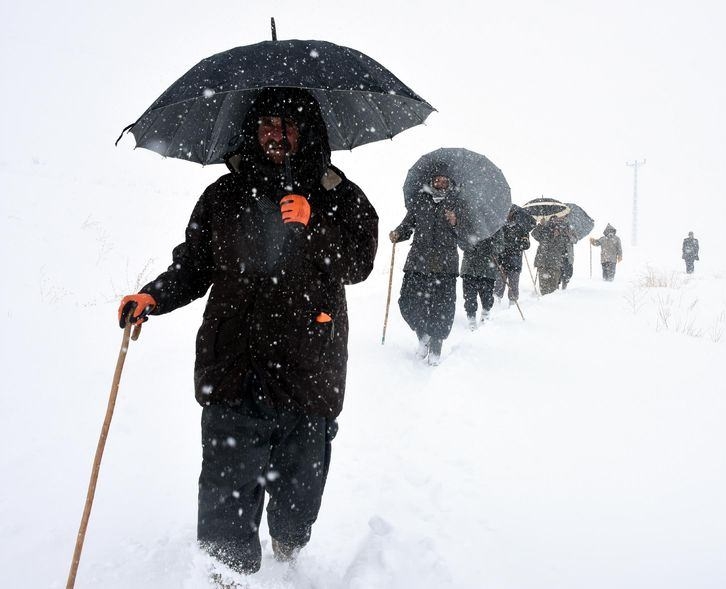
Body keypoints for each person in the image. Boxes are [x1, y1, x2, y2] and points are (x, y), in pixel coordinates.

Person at [117, 88, 379, 576]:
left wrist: (314, 219)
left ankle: (288, 542)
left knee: (300, 489)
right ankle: (227, 574)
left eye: (287, 127)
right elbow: (194, 265)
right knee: (226, 487)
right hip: (234, 361)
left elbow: (360, 262)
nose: (275, 137)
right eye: (265, 127)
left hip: (308, 367)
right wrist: (153, 296)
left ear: (308, 132)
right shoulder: (223, 195)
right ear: (251, 133)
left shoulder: (337, 192)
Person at [389, 172, 459, 366]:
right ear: (431, 181)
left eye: (445, 180)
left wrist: (456, 221)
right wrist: (398, 233)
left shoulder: (458, 203)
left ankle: (436, 345)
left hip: (446, 265)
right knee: (408, 302)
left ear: (450, 183)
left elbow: (469, 234)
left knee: (442, 308)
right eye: (437, 179)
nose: (441, 183)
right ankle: (424, 335)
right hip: (418, 263)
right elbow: (407, 225)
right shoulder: (420, 201)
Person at [461, 229, 505, 330]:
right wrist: (472, 244)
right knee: (469, 297)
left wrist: (490, 246)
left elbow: (500, 246)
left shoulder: (495, 226)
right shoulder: (468, 223)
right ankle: (471, 318)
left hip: (487, 268)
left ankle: (485, 316)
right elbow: (462, 243)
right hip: (469, 267)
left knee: (487, 296)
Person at [494, 205, 532, 305]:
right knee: (499, 284)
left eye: (510, 212)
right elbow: (496, 242)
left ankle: (513, 304)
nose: (508, 214)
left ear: (514, 213)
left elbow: (526, 245)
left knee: (514, 285)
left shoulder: (522, 228)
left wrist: (520, 243)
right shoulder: (500, 227)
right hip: (501, 260)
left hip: (515, 261)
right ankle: (496, 305)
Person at [531, 215, 572, 295]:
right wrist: (540, 225)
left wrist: (563, 234)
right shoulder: (543, 230)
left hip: (555, 263)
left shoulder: (562, 231)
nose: (554, 221)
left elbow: (565, 245)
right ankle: (544, 302)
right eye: (552, 220)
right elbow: (534, 234)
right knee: (543, 286)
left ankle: (552, 304)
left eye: (556, 220)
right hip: (542, 262)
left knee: (553, 288)